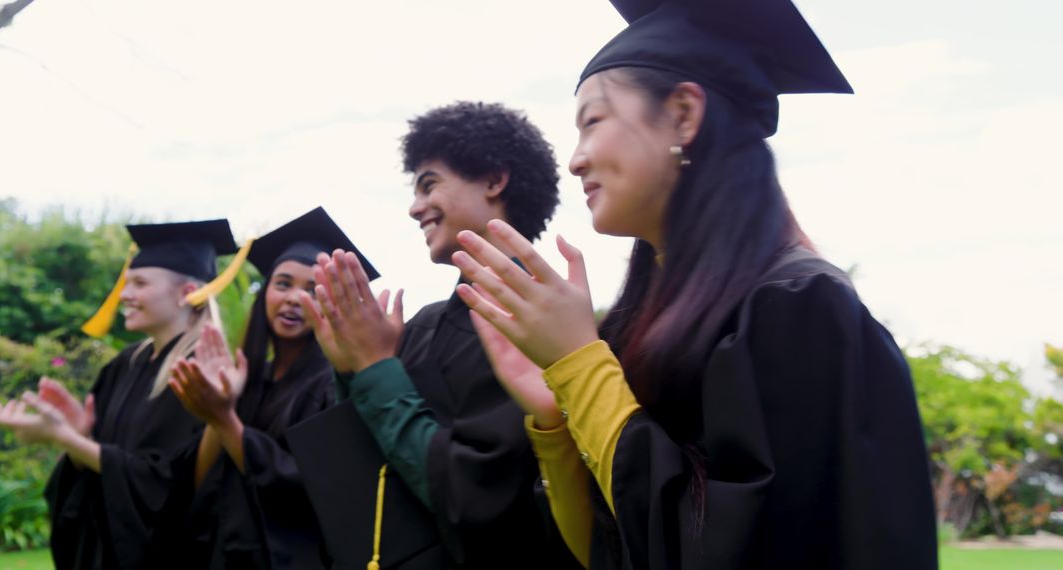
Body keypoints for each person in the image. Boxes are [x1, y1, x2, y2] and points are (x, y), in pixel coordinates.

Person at [449, 1, 939, 568]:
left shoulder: (799, 308)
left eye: (592, 122)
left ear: (683, 114)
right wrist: (559, 413)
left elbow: (732, 554)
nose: (576, 161)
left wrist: (581, 367)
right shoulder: (653, 324)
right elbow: (606, 550)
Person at [291, 101, 579, 569]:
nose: (414, 207)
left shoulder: (547, 324)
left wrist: (377, 370)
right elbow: (369, 467)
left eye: (430, 184)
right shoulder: (421, 325)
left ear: (492, 180)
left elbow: (477, 498)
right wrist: (351, 368)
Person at [0, 219, 241, 569]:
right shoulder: (126, 365)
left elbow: (171, 489)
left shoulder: (201, 374)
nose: (124, 295)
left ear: (186, 293)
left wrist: (65, 438)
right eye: (127, 283)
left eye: (139, 283)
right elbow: (103, 472)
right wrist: (77, 435)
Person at [165, 206, 378, 569]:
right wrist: (219, 407)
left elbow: (309, 491)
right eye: (283, 284)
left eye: (312, 289)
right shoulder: (248, 376)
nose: (294, 298)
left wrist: (225, 419)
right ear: (265, 293)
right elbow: (201, 483)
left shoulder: (333, 387)